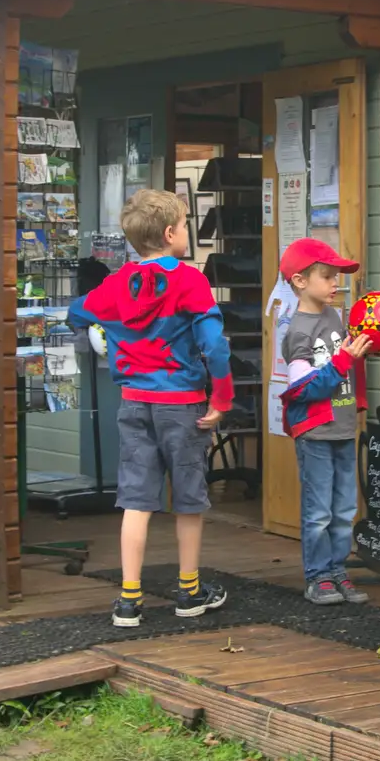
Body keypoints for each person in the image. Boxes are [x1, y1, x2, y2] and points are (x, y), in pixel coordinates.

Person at [69, 189, 232, 628]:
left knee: (137, 501)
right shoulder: (190, 280)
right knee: (189, 501)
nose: (186, 233)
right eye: (183, 226)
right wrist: (222, 398)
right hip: (182, 405)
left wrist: (115, 331)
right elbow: (214, 346)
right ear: (169, 233)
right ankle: (189, 590)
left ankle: (128, 599)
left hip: (134, 402)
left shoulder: (117, 283)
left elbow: (78, 312)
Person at [278, 237, 373, 605]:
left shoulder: (335, 316)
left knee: (345, 507)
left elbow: (347, 360)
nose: (336, 283)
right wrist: (345, 360)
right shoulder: (298, 331)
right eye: (327, 275)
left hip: (343, 427)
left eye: (337, 276)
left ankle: (338, 571)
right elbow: (303, 389)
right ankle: (317, 577)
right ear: (300, 281)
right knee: (318, 511)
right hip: (316, 431)